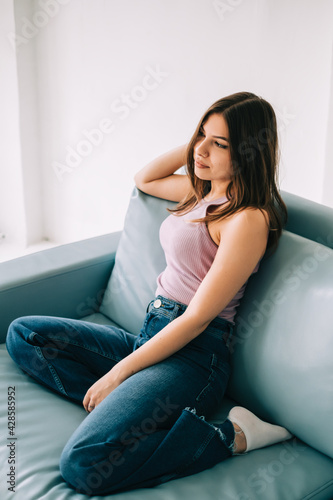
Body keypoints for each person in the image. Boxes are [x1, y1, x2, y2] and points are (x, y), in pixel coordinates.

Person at [6, 91, 292, 495]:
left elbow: (196, 318)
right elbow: (145, 178)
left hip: (193, 357)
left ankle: (230, 437)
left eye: (221, 144)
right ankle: (127, 411)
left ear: (250, 152)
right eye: (201, 136)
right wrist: (200, 145)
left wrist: (118, 373)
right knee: (25, 334)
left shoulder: (246, 219)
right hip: (151, 336)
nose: (202, 150)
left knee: (84, 465)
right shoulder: (201, 191)